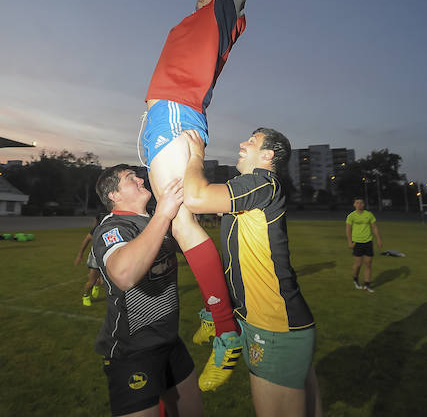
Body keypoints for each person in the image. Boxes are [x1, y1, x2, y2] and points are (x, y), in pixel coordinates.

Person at [141, 0, 313, 391]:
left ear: (228, 4)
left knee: (184, 211)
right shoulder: (203, 11)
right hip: (159, 117)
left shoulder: (222, 15)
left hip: (175, 113)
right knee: (179, 221)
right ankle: (220, 318)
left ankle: (224, 329)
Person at [182, 129, 322, 417]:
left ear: (268, 155)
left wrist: (196, 155)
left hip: (274, 326)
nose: (242, 144)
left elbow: (196, 198)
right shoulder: (253, 186)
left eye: (252, 141)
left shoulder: (262, 183)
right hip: (277, 322)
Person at [91, 164, 202, 417]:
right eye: (131, 178)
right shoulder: (113, 227)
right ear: (114, 195)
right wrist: (163, 215)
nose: (141, 180)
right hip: (133, 351)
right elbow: (124, 275)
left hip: (170, 341)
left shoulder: (153, 220)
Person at [345, 197, 383, 293]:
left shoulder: (369, 214)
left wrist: (378, 239)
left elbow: (374, 227)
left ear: (364, 204)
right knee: (358, 264)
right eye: (357, 203)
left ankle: (367, 284)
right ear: (354, 204)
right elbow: (348, 230)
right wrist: (350, 242)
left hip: (368, 242)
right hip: (357, 242)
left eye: (361, 203)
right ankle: (355, 279)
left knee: (368, 264)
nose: (359, 204)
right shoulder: (351, 216)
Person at [75, 217, 105, 306]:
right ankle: (86, 296)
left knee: (105, 282)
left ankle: (98, 283)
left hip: (107, 257)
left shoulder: (116, 227)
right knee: (91, 281)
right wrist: (80, 255)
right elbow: (87, 240)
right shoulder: (98, 228)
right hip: (95, 258)